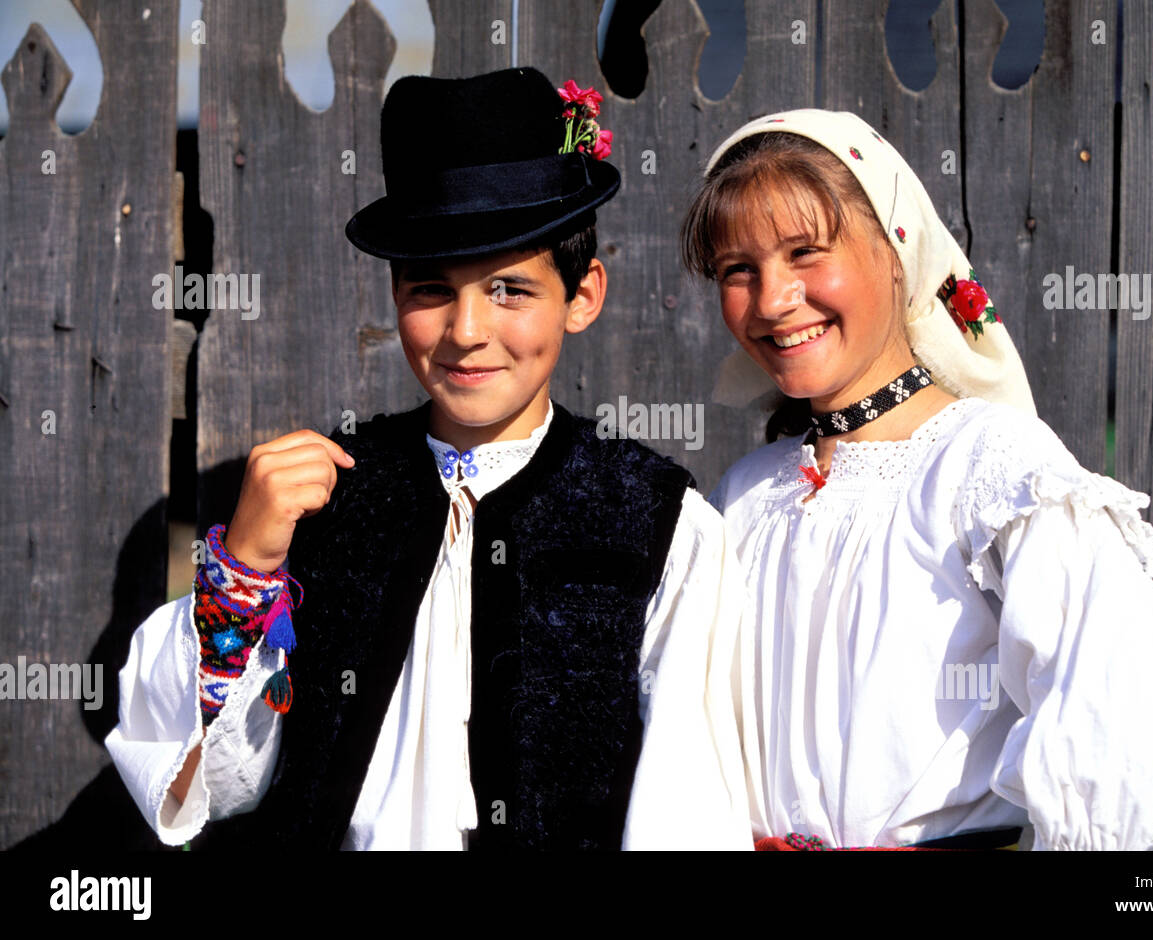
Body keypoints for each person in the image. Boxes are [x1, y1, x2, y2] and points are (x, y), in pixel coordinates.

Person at [98, 67, 751, 851]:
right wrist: (244, 566)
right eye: (431, 289)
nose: (467, 330)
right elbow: (219, 784)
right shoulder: (325, 499)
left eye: (511, 289)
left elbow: (685, 805)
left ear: (582, 295)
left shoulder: (654, 522)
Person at [682, 108, 1153, 851]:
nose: (772, 299)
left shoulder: (990, 468)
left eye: (805, 252)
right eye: (739, 270)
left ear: (897, 251)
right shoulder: (746, 495)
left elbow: (1143, 727)